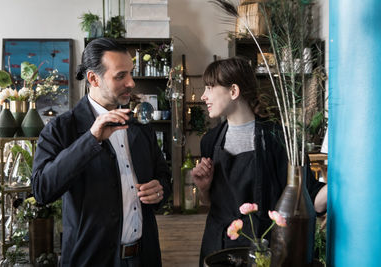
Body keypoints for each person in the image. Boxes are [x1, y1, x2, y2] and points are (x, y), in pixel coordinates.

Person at [31, 38, 172, 267]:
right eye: (120, 76)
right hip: (90, 260)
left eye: (131, 73)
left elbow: (163, 176)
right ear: (93, 79)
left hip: (145, 257)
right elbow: (41, 190)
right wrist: (91, 138)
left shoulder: (140, 125)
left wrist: (160, 190)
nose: (131, 83)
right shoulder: (61, 128)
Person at [191, 57, 327, 265]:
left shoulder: (281, 140)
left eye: (210, 87)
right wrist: (204, 188)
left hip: (264, 251)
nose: (203, 96)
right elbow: (209, 203)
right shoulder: (210, 141)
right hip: (216, 247)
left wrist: (349, 175)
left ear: (234, 91)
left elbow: (310, 197)